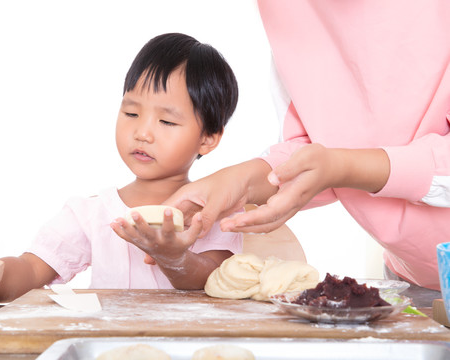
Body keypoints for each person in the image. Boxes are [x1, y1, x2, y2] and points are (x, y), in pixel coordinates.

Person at [163, 1, 450, 307]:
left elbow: (331, 162)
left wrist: (342, 167)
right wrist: (242, 180)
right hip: (412, 277)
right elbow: (310, 149)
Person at [0, 32, 241, 303]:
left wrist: (173, 256)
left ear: (208, 138)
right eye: (131, 112)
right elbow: (31, 268)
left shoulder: (216, 211)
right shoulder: (93, 214)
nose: (143, 132)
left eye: (166, 121)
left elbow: (213, 279)